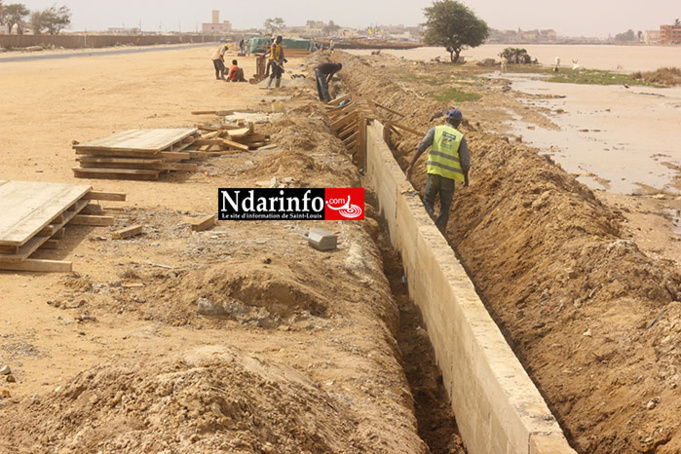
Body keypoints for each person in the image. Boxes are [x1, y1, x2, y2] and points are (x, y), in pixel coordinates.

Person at [406, 109, 470, 232]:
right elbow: (465, 162)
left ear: (447, 120)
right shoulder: (460, 138)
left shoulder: (436, 130)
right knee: (445, 207)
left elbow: (422, 146)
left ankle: (426, 228)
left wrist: (411, 165)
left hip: (434, 173)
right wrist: (466, 178)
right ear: (459, 123)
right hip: (448, 177)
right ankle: (439, 231)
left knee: (428, 201)